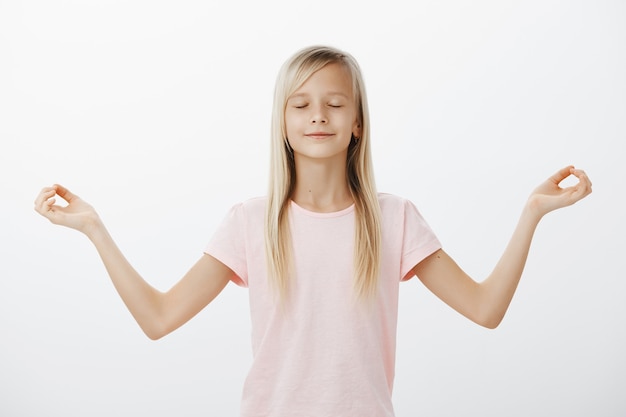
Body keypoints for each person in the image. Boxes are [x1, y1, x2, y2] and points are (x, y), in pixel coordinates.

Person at [34, 45, 592, 417]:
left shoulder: (394, 218)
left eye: (334, 103)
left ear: (357, 123)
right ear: (283, 122)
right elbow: (158, 318)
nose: (317, 115)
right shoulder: (250, 222)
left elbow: (486, 308)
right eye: (300, 104)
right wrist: (95, 229)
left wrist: (531, 214)